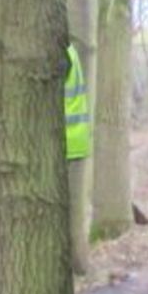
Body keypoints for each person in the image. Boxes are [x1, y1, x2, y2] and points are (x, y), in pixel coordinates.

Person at [64, 41, 91, 274]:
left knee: (69, 216)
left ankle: (76, 269)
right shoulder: (68, 48)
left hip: (66, 141)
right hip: (73, 140)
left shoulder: (57, 52)